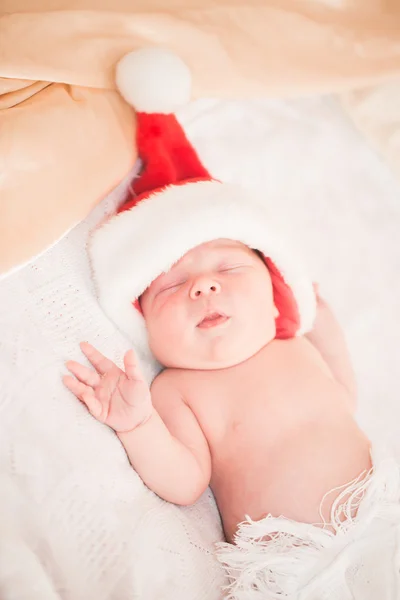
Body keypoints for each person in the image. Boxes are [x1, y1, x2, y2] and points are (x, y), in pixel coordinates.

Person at [63, 100, 400, 598]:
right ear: (146, 329)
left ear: (273, 295)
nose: (204, 288)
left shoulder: (292, 340)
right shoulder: (177, 388)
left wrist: (323, 323)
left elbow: (341, 400)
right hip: (296, 567)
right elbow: (184, 482)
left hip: (382, 518)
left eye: (230, 269)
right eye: (172, 285)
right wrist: (138, 425)